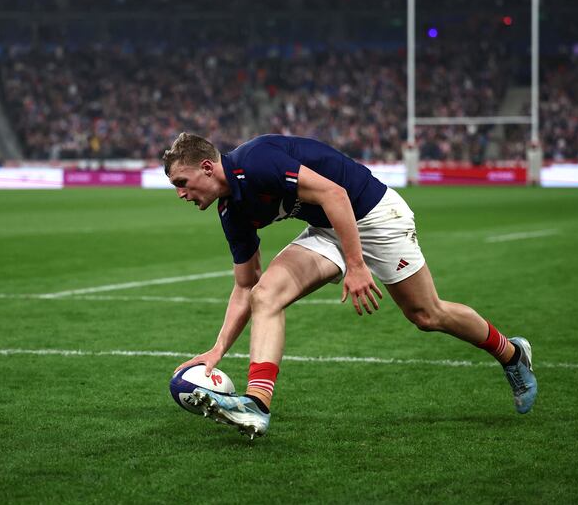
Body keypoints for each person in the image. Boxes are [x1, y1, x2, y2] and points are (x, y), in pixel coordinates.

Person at [165, 132, 537, 439]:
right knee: (266, 295)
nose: (180, 194)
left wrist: (356, 265)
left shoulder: (257, 161)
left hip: (373, 214)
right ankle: (257, 405)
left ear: (208, 167)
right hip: (328, 228)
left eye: (182, 183)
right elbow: (245, 285)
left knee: (427, 314)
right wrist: (216, 350)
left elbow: (334, 194)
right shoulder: (232, 211)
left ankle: (511, 354)